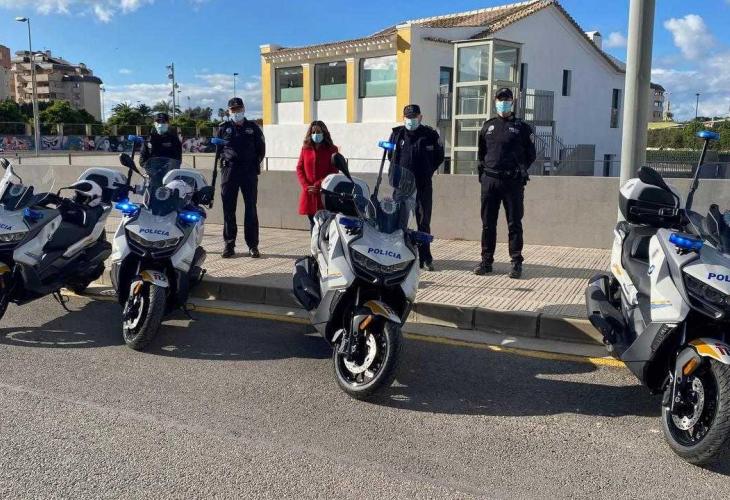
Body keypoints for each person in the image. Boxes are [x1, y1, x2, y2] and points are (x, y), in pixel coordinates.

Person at [474, 87, 536, 279]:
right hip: (490, 181)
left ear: (512, 102)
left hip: (512, 182)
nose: (503, 103)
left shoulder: (521, 128)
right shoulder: (488, 126)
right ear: (495, 102)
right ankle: (486, 262)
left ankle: (516, 263)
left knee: (514, 224)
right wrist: (484, 175)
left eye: (507, 99)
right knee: (487, 224)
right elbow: (482, 153)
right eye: (500, 99)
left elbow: (531, 154)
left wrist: (520, 170)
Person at [388, 104, 444, 271]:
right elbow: (391, 156)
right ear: (403, 118)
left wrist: (427, 171)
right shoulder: (397, 135)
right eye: (408, 117)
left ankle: (425, 257)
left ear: (420, 117)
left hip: (423, 185)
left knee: (423, 221)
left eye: (414, 117)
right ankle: (398, 255)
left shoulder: (430, 135)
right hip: (402, 186)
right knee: (399, 222)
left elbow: (439, 157)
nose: (411, 120)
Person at [218, 97, 265, 259]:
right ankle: (229, 244)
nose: (236, 112)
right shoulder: (223, 128)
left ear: (244, 109)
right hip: (229, 172)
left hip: (248, 171)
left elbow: (261, 149)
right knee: (228, 209)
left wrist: (252, 164)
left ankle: (253, 245)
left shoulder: (253, 127)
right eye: (233, 110)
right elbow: (218, 149)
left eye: (238, 109)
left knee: (251, 208)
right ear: (229, 111)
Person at [296, 121, 339, 229]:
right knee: (313, 224)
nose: (316, 134)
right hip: (309, 193)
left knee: (325, 226)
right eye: (313, 132)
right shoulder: (305, 149)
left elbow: (333, 171)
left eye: (318, 132)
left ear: (324, 132)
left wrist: (318, 184)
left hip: (324, 193)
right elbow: (299, 168)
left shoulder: (332, 149)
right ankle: (314, 241)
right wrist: (306, 186)